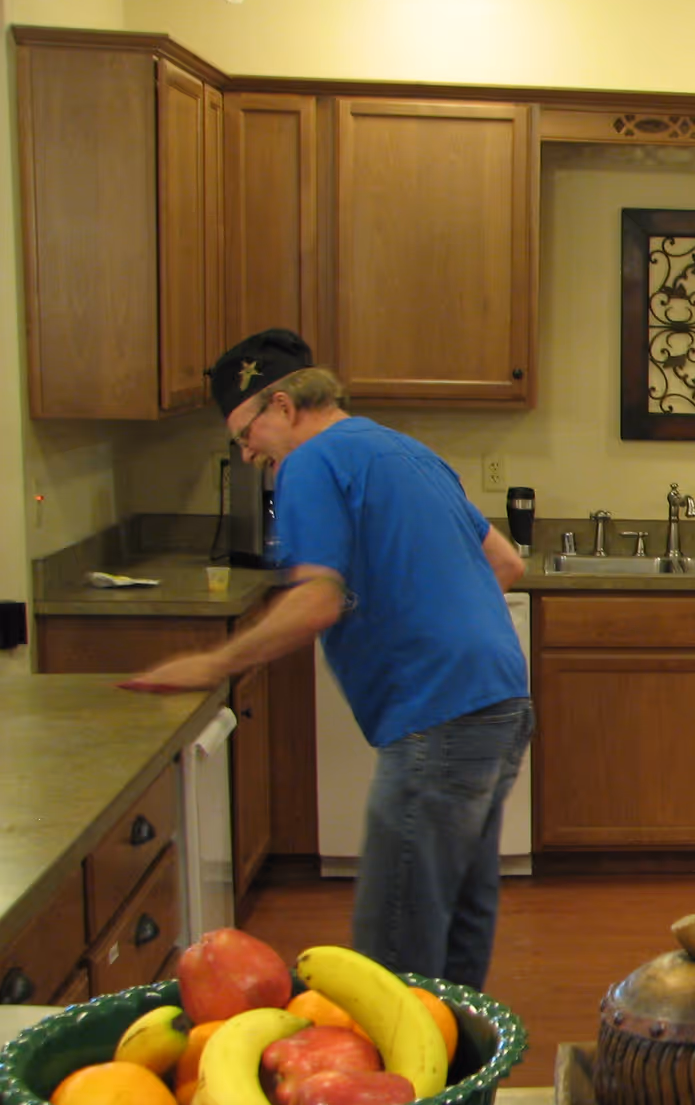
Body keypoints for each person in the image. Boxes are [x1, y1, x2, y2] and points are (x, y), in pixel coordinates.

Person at [124, 328, 533, 990]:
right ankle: (457, 1080)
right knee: (457, 926)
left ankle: (396, 1091)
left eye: (245, 430)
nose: (246, 449)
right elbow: (505, 563)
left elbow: (316, 601)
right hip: (500, 703)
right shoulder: (408, 451)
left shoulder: (309, 464)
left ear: (283, 406)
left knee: (392, 954)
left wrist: (213, 663)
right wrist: (426, 614)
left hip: (436, 717)